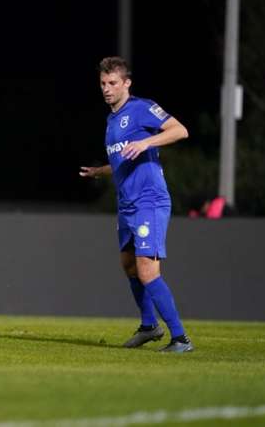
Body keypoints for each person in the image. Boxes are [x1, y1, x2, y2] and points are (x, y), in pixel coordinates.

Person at [79, 56, 194, 353]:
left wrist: (146, 143)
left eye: (113, 83)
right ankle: (148, 326)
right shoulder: (112, 120)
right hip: (127, 204)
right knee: (129, 266)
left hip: (149, 201)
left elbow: (180, 130)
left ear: (126, 83)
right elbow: (122, 158)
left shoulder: (141, 108)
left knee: (147, 271)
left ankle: (180, 338)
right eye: (103, 83)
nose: (107, 89)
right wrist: (100, 171)